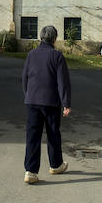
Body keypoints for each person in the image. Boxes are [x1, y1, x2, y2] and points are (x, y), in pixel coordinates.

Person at [22, 25, 72, 184]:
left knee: (32, 137)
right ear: (54, 39)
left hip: (33, 101)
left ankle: (30, 172)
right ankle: (55, 165)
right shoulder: (57, 56)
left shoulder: (31, 54)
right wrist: (66, 103)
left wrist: (28, 95)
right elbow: (62, 82)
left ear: (40, 38)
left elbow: (25, 78)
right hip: (51, 102)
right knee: (53, 134)